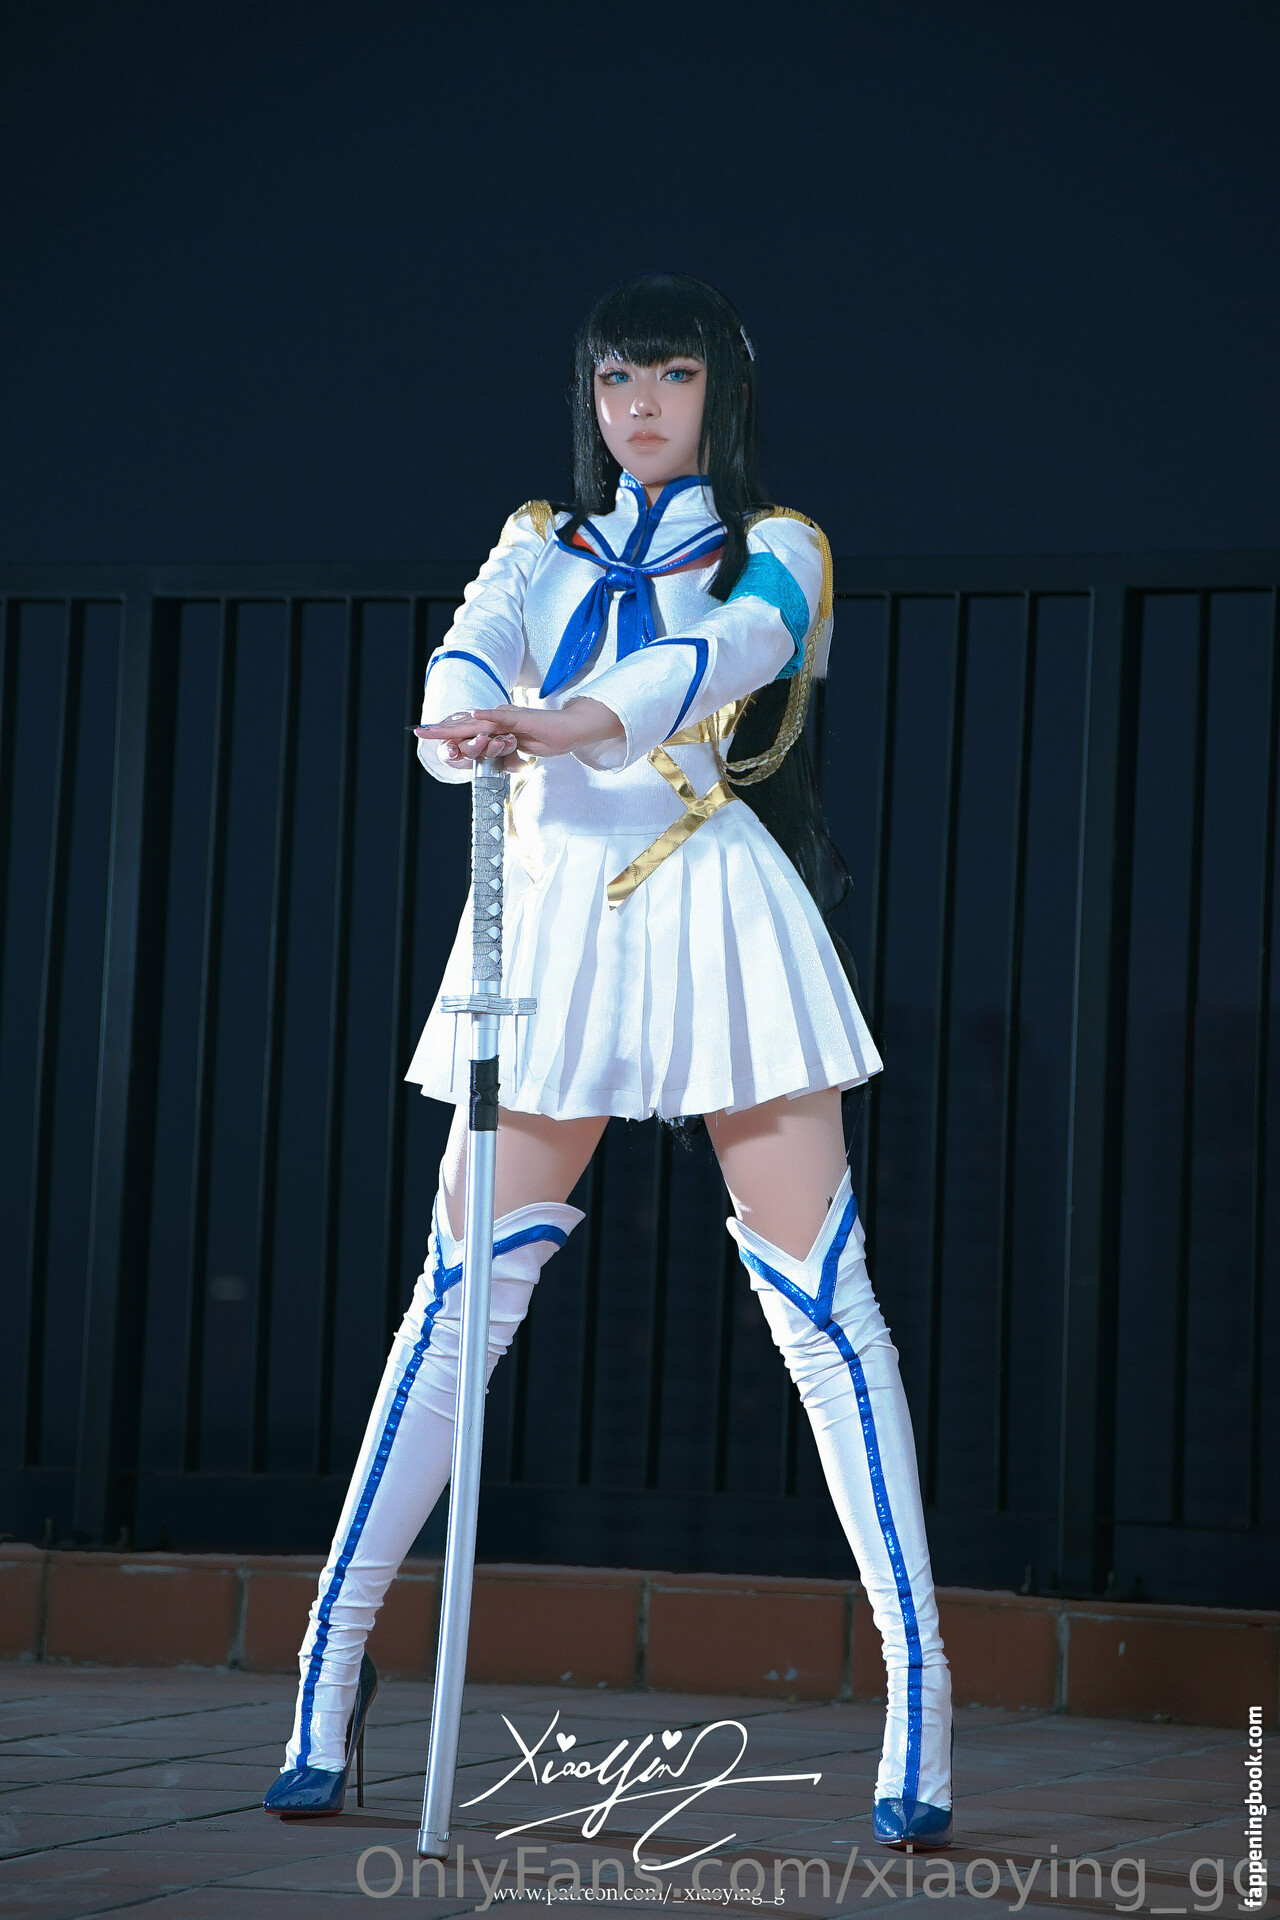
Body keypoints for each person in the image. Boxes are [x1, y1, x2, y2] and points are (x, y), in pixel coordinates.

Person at [263, 273, 953, 1848]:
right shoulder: (537, 539)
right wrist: (467, 721)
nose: (641, 404)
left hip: (709, 900)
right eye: (616, 378)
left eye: (674, 375)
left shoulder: (779, 544)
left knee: (826, 1309)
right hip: (553, 916)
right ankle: (326, 1663)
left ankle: (921, 1692)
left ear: (725, 393)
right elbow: (465, 655)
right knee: (455, 1304)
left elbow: (723, 656)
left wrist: (568, 721)